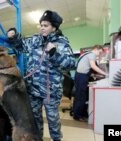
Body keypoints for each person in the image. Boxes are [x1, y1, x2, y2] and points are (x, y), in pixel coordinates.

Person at [7, 10, 76, 141]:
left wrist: (55, 53)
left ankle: (56, 139)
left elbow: (71, 64)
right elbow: (21, 46)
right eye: (41, 25)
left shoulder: (62, 42)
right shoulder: (35, 40)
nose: (42, 28)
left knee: (53, 120)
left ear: (54, 27)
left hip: (51, 91)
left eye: (46, 25)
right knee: (35, 118)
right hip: (34, 89)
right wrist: (14, 36)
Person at [73, 45, 108, 121]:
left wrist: (93, 74)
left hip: (79, 76)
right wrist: (105, 74)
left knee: (79, 96)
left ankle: (78, 114)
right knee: (82, 97)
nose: (99, 54)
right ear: (96, 49)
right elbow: (93, 66)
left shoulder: (85, 54)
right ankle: (78, 116)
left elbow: (84, 67)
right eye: (100, 52)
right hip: (82, 77)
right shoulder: (92, 54)